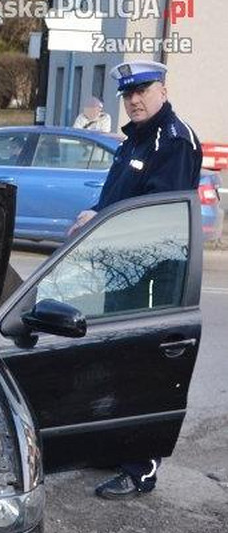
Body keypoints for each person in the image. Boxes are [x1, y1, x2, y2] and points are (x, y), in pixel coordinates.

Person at [67, 61, 202, 500]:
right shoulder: (137, 139)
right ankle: (116, 448)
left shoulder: (174, 142)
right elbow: (119, 197)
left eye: (143, 90)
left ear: (164, 88)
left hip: (154, 275)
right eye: (128, 94)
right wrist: (96, 215)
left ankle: (141, 466)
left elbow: (158, 220)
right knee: (117, 362)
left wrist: (100, 218)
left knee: (144, 367)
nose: (135, 100)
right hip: (126, 271)